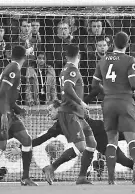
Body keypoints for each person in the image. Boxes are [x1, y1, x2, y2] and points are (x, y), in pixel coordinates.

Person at [34, 99, 135, 182]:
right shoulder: (57, 127)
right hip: (101, 143)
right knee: (125, 161)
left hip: (104, 128)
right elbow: (42, 138)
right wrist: (26, 145)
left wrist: (83, 106)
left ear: (59, 107)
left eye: (50, 109)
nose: (48, 113)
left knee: (133, 132)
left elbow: (83, 109)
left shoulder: (69, 110)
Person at [91, 32, 135, 185]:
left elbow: (94, 86)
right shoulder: (129, 60)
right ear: (128, 44)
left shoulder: (103, 60)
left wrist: (108, 92)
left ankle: (110, 178)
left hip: (108, 103)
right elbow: (134, 83)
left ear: (112, 44)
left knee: (111, 141)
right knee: (131, 139)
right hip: (125, 102)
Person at [0, 46, 37, 187]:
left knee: (27, 140)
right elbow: (2, 92)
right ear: (25, 57)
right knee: (1, 145)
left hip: (8, 111)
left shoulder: (14, 67)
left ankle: (25, 178)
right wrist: (4, 113)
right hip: (0, 111)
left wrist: (18, 109)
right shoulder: (13, 68)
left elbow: (8, 95)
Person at [42, 45, 96, 185]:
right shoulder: (72, 70)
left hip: (76, 113)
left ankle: (82, 177)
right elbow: (67, 87)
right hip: (70, 113)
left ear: (66, 56)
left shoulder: (65, 69)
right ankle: (52, 167)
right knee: (81, 146)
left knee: (92, 143)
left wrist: (81, 107)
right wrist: (81, 103)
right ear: (79, 55)